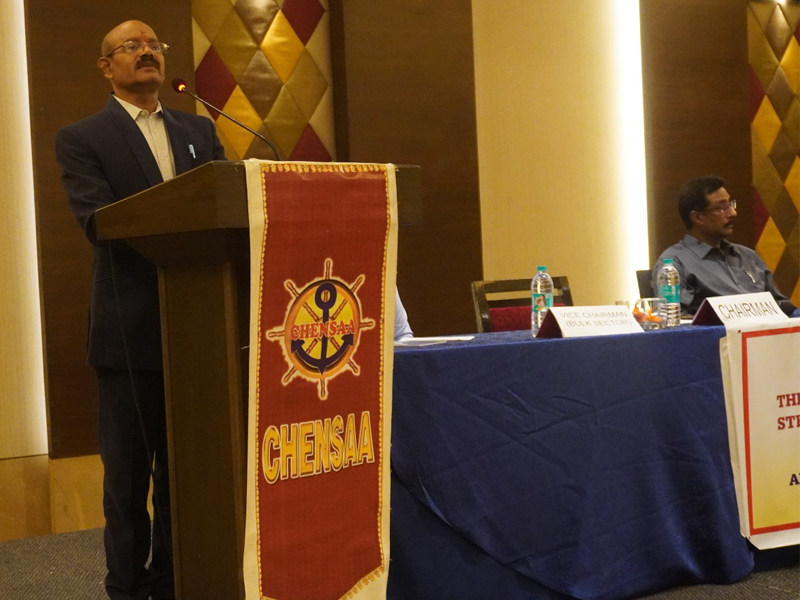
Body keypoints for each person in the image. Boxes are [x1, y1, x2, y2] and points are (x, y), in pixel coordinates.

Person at [55, 20, 226, 600]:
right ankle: (126, 589)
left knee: (184, 477)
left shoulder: (199, 129)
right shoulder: (82, 138)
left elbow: (225, 207)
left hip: (197, 330)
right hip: (128, 332)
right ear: (106, 66)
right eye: (131, 46)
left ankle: (174, 582)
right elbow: (97, 221)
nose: (147, 52)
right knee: (128, 484)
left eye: (154, 44)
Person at [652, 175, 796, 316]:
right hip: (720, 332)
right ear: (697, 218)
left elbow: (781, 306)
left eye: (730, 205)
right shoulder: (675, 263)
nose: (733, 213)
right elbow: (675, 320)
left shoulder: (748, 256)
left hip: (764, 330)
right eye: (722, 208)